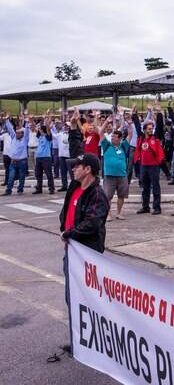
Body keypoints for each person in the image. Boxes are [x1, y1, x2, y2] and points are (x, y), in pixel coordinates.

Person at [58, 152, 109, 355]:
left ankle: (97, 340)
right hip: (71, 252)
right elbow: (66, 211)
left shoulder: (97, 194)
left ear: (88, 170)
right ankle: (79, 340)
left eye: (77, 166)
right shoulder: (74, 187)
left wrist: (70, 233)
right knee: (72, 298)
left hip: (87, 256)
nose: (73, 169)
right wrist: (64, 227)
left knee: (89, 299)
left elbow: (93, 222)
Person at [99, 114, 131, 221]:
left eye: (114, 136)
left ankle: (119, 213)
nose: (112, 137)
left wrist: (130, 124)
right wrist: (106, 122)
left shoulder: (123, 146)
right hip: (109, 175)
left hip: (122, 175)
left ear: (120, 138)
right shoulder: (107, 145)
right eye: (112, 136)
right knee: (108, 196)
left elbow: (130, 135)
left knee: (121, 195)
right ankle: (108, 214)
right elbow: (100, 132)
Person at [134, 121, 165, 215]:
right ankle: (145, 206)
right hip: (144, 165)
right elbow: (137, 126)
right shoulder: (141, 139)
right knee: (145, 188)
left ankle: (157, 207)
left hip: (153, 166)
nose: (151, 130)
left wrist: (159, 113)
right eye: (149, 129)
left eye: (152, 129)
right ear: (144, 130)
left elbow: (160, 127)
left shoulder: (155, 139)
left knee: (155, 187)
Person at [2, 111, 30, 196]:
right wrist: (7, 120)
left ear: (22, 134)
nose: (17, 134)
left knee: (21, 177)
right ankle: (8, 191)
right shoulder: (13, 137)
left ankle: (20, 189)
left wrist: (27, 121)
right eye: (17, 132)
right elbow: (10, 128)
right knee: (11, 177)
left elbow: (27, 130)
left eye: (19, 133)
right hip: (13, 161)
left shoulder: (25, 139)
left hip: (22, 161)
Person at [33, 113, 55, 194]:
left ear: (44, 131)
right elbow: (35, 128)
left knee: (49, 174)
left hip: (46, 157)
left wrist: (47, 123)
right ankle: (39, 188)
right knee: (38, 174)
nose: (40, 131)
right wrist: (42, 119)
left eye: (42, 130)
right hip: (39, 157)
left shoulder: (48, 137)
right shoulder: (40, 136)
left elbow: (48, 130)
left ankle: (51, 188)